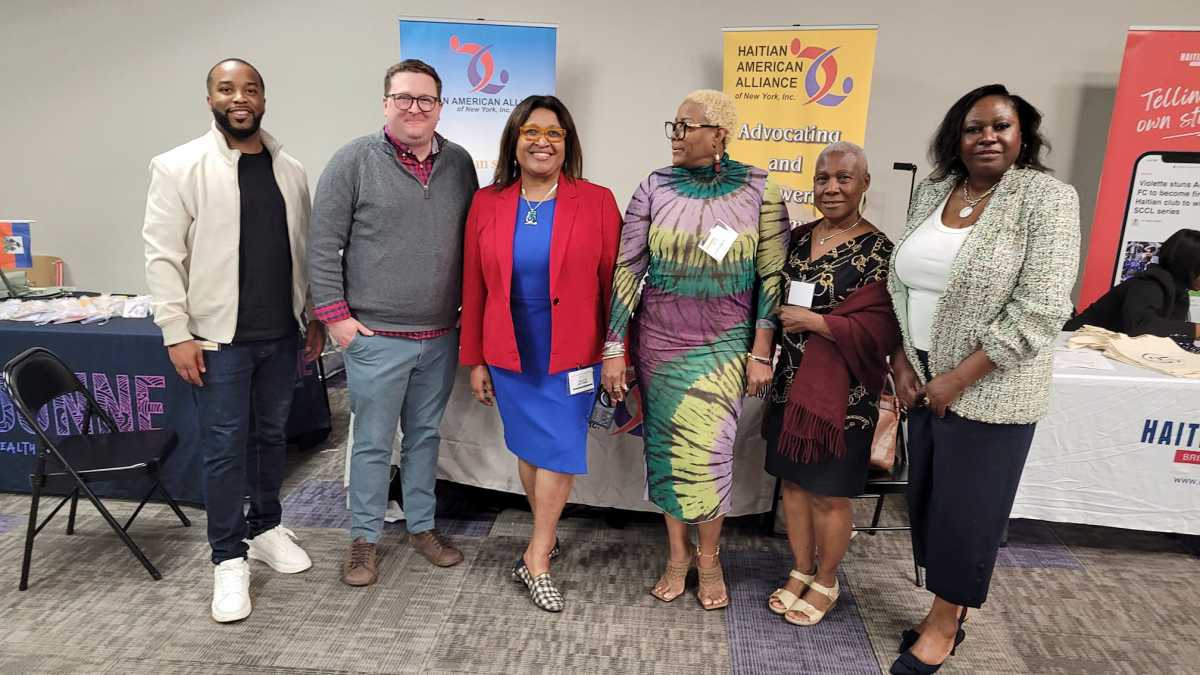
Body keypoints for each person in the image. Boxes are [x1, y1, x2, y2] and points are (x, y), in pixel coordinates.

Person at [887, 84, 1080, 674]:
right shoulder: (936, 192)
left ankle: (945, 626)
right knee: (930, 502)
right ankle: (945, 606)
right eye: (974, 127)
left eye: (1001, 126)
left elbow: (1043, 307)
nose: (987, 137)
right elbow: (904, 281)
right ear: (957, 136)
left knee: (969, 512)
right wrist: (900, 358)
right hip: (921, 383)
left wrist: (958, 379)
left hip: (991, 390)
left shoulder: (1046, 199)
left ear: (1024, 136)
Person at [143, 58, 324, 623]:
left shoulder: (289, 167)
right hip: (217, 339)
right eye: (227, 89)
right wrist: (177, 332)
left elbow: (305, 249)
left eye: (250, 89)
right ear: (210, 99)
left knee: (272, 437)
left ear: (264, 99)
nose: (239, 98)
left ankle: (267, 526)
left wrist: (313, 314)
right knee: (223, 448)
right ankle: (227, 557)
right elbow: (162, 256)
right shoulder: (178, 166)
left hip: (281, 335)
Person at [600, 89, 787, 610]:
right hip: (659, 342)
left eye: (686, 126)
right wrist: (614, 346)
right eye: (674, 127)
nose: (676, 136)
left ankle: (709, 558)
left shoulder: (761, 191)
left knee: (709, 454)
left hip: (723, 346)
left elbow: (771, 276)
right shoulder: (653, 187)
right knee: (666, 452)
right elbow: (628, 269)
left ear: (719, 134)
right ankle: (676, 556)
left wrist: (761, 349)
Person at [308, 60, 479, 587]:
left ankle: (422, 526)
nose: (414, 108)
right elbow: (321, 245)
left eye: (425, 99)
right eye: (403, 98)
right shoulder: (353, 161)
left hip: (439, 335)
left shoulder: (460, 164)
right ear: (386, 103)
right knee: (372, 443)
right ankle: (364, 538)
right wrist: (337, 320)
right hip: (376, 337)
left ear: (440, 106)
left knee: (426, 437)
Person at [460, 95, 622, 612]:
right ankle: (544, 538)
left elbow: (616, 287)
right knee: (530, 448)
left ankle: (537, 556)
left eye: (553, 133)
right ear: (514, 140)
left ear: (567, 143)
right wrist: (476, 358)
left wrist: (617, 351)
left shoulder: (596, 201)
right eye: (531, 131)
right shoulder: (488, 203)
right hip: (510, 346)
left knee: (559, 449)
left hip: (573, 349)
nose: (542, 142)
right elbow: (474, 285)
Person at [762, 142, 899, 626]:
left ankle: (826, 579)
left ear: (865, 184)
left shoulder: (882, 252)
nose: (832, 187)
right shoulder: (797, 239)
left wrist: (818, 324)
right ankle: (800, 569)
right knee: (794, 487)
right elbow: (770, 301)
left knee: (829, 494)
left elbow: (883, 328)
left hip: (845, 399)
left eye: (844, 178)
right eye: (823, 179)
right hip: (790, 387)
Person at [1065, 228, 1200, 339]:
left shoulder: (1179, 293)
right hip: (1071, 347)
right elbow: (1141, 327)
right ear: (1187, 266)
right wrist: (1195, 330)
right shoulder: (1148, 285)